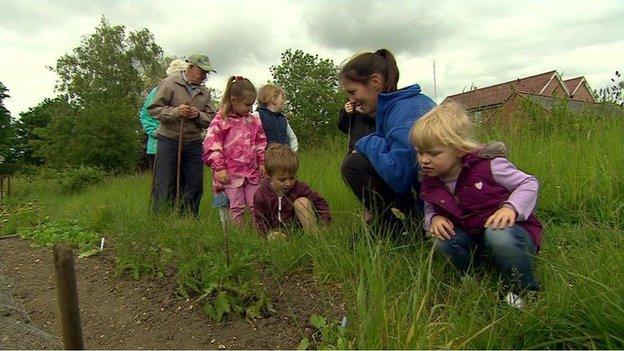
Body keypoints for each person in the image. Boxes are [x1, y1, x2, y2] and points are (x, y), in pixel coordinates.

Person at [409, 101, 543, 308]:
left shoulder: (489, 166)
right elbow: (429, 207)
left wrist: (511, 207)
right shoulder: (430, 181)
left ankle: (526, 289)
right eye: (419, 152)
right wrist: (434, 219)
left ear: (460, 150)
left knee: (498, 234)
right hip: (472, 238)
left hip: (512, 235)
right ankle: (474, 275)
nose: (424, 160)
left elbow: (528, 182)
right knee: (441, 237)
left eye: (434, 153)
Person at [339, 49, 436, 237]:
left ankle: (400, 231)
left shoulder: (405, 111)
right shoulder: (396, 107)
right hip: (430, 197)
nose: (351, 100)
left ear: (375, 82)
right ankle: (400, 228)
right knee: (359, 161)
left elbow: (400, 175)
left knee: (353, 165)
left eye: (353, 92)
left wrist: (365, 142)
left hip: (438, 204)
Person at [148, 53, 216, 217]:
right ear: (190, 68)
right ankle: (160, 218)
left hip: (193, 142)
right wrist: (176, 112)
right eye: (202, 72)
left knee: (194, 183)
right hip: (169, 140)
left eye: (206, 73)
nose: (204, 76)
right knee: (165, 181)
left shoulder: (205, 93)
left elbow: (212, 119)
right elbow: (153, 109)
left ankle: (188, 219)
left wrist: (198, 115)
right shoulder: (170, 83)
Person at [203, 76, 267, 225]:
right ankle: (238, 238)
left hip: (252, 173)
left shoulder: (254, 120)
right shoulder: (220, 121)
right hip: (230, 175)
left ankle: (259, 235)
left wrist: (262, 162)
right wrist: (219, 168)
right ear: (233, 100)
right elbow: (212, 145)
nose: (250, 109)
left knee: (256, 205)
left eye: (252, 105)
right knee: (236, 207)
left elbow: (260, 142)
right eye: (247, 105)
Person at [253, 143, 331, 238]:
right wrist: (267, 235)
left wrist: (324, 224)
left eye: (292, 178)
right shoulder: (261, 194)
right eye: (282, 179)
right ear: (269, 175)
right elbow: (259, 220)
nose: (288, 183)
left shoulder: (300, 188)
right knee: (274, 238)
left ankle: (313, 237)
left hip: (299, 231)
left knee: (302, 202)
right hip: (277, 234)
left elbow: (320, 203)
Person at [140, 59, 189, 169]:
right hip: (159, 146)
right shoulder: (157, 91)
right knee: (162, 183)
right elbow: (146, 113)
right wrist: (155, 131)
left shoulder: (189, 92)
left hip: (183, 145)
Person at [256, 84, 298, 151]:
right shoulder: (257, 116)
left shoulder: (283, 119)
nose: (284, 102)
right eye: (282, 98)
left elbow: (292, 138)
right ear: (274, 99)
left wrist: (291, 153)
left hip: (283, 159)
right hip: (264, 159)